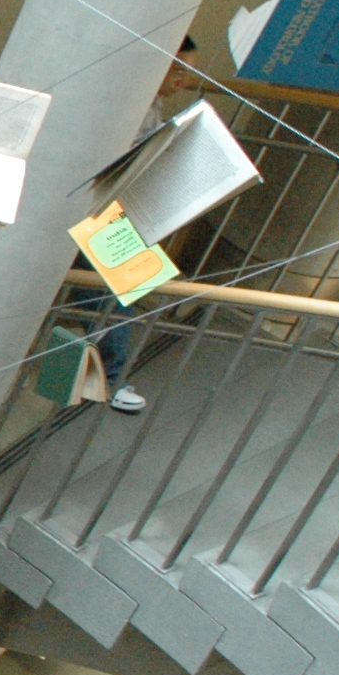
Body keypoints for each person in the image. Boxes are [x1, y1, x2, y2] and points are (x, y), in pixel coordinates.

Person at [69, 39, 210, 414]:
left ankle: (102, 372)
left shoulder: (151, 104)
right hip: (98, 210)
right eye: (178, 71)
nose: (183, 82)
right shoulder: (128, 106)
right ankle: (109, 379)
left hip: (112, 209)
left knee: (118, 291)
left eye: (188, 74)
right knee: (116, 294)